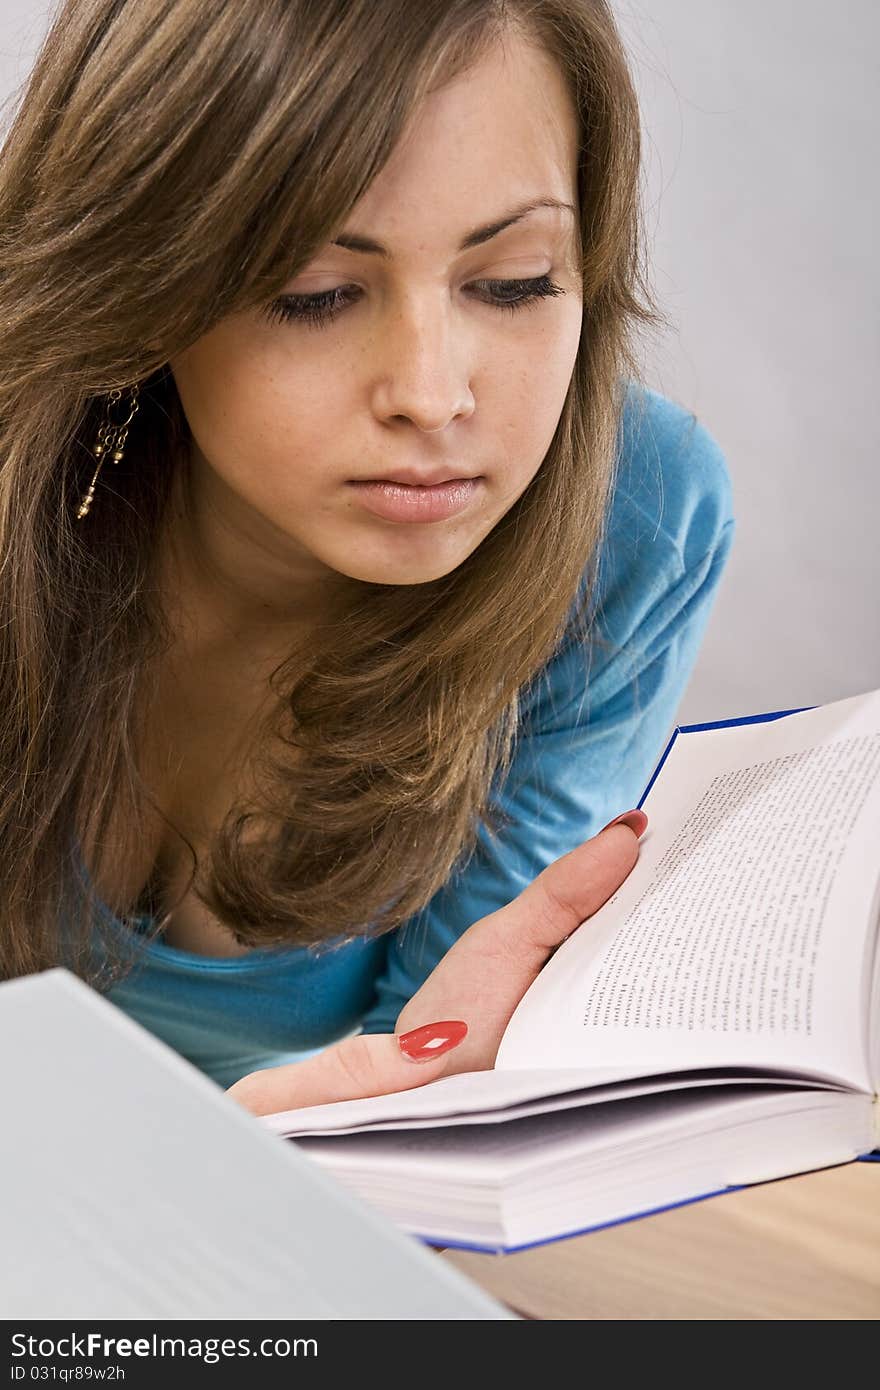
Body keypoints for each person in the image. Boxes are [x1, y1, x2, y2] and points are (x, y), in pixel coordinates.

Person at [0, 0, 733, 1115]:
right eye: (316, 294)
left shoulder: (634, 515)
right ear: (137, 282)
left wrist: (350, 1130)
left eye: (514, 281)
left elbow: (406, 1083)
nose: (432, 394)